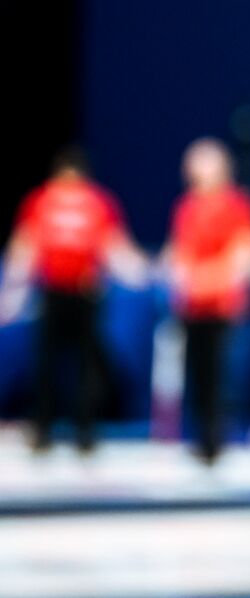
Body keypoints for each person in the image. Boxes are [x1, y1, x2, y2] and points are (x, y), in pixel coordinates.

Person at [0, 147, 146, 453]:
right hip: (53, 293)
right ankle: (43, 430)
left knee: (85, 367)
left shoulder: (94, 203)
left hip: (85, 294)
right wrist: (13, 293)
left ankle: (84, 432)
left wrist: (141, 273)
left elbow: (113, 247)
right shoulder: (43, 202)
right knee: (46, 365)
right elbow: (25, 247)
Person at [162, 138, 250, 464]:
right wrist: (174, 274)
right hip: (191, 307)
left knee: (218, 376)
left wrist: (206, 280)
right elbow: (178, 252)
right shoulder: (187, 206)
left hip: (221, 307)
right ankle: (199, 439)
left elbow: (244, 256)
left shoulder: (238, 206)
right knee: (196, 374)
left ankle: (215, 442)